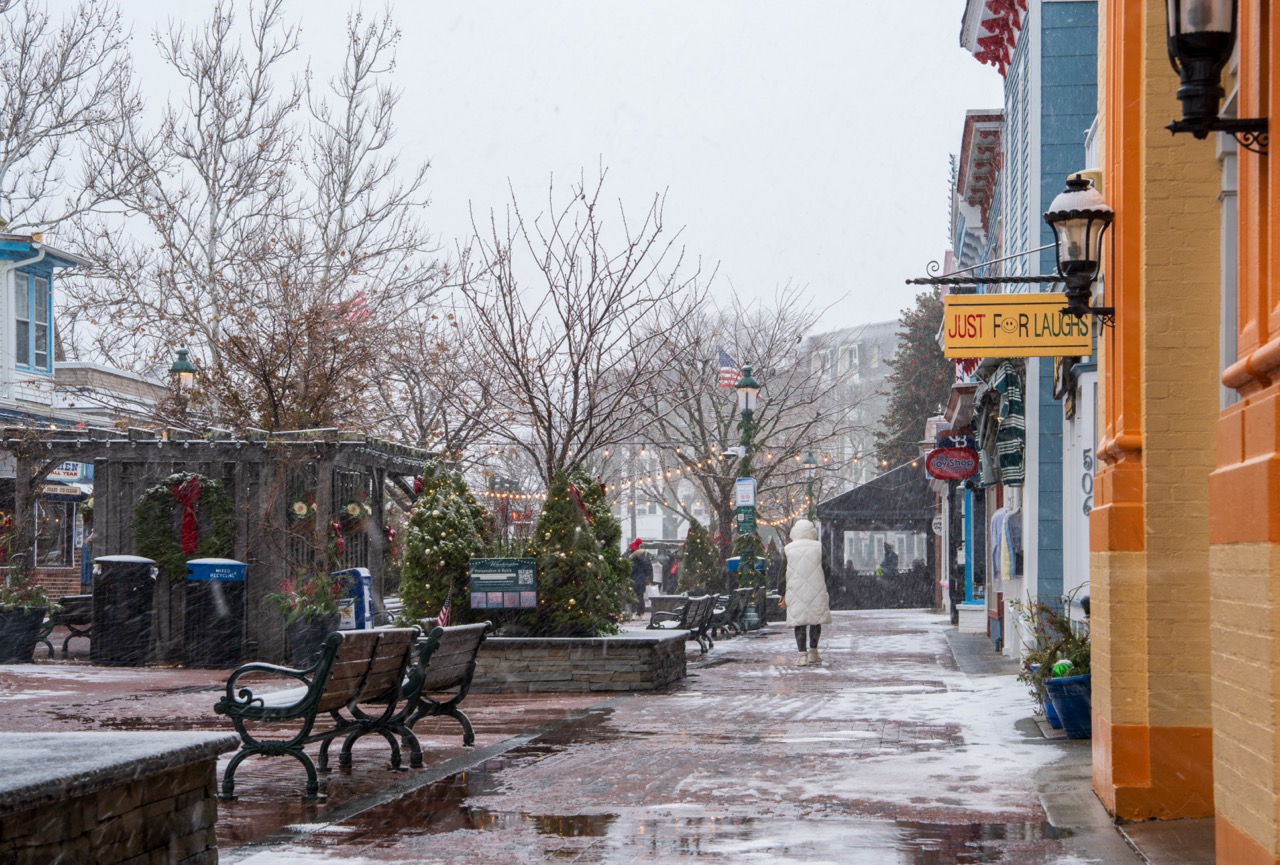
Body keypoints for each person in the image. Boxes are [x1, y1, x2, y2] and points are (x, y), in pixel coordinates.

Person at [784, 518, 831, 667]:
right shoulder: (818, 547)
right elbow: (827, 568)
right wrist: (822, 582)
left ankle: (802, 655)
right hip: (816, 587)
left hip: (796, 588)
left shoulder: (788, 548)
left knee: (800, 622)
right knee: (815, 620)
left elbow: (782, 573)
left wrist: (782, 592)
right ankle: (814, 652)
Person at [627, 538, 651, 615]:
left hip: (634, 579)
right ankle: (640, 613)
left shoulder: (631, 558)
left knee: (635, 597)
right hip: (640, 579)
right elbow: (648, 569)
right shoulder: (644, 558)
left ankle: (635, 612)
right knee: (640, 597)